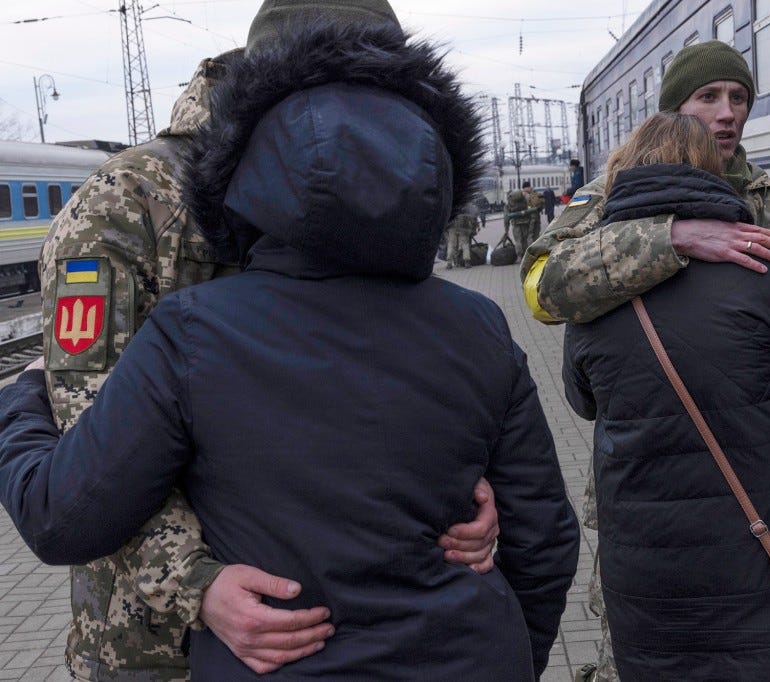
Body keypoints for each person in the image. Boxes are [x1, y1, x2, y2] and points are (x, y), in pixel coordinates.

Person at [0, 15, 579, 681]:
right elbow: (92, 460)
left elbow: (65, 504)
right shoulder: (125, 199)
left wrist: (20, 405)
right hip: (156, 641)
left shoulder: (211, 313)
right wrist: (194, 581)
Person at [520, 40, 770, 681]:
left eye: (738, 98)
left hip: (756, 493)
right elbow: (541, 285)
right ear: (674, 108)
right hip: (651, 498)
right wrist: (670, 237)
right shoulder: (606, 197)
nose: (727, 112)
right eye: (709, 97)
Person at [504, 186, 541, 261]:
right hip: (526, 222)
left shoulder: (509, 204)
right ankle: (525, 255)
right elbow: (530, 210)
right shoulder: (524, 200)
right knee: (525, 240)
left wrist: (506, 230)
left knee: (518, 240)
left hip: (516, 224)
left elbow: (506, 218)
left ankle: (519, 256)